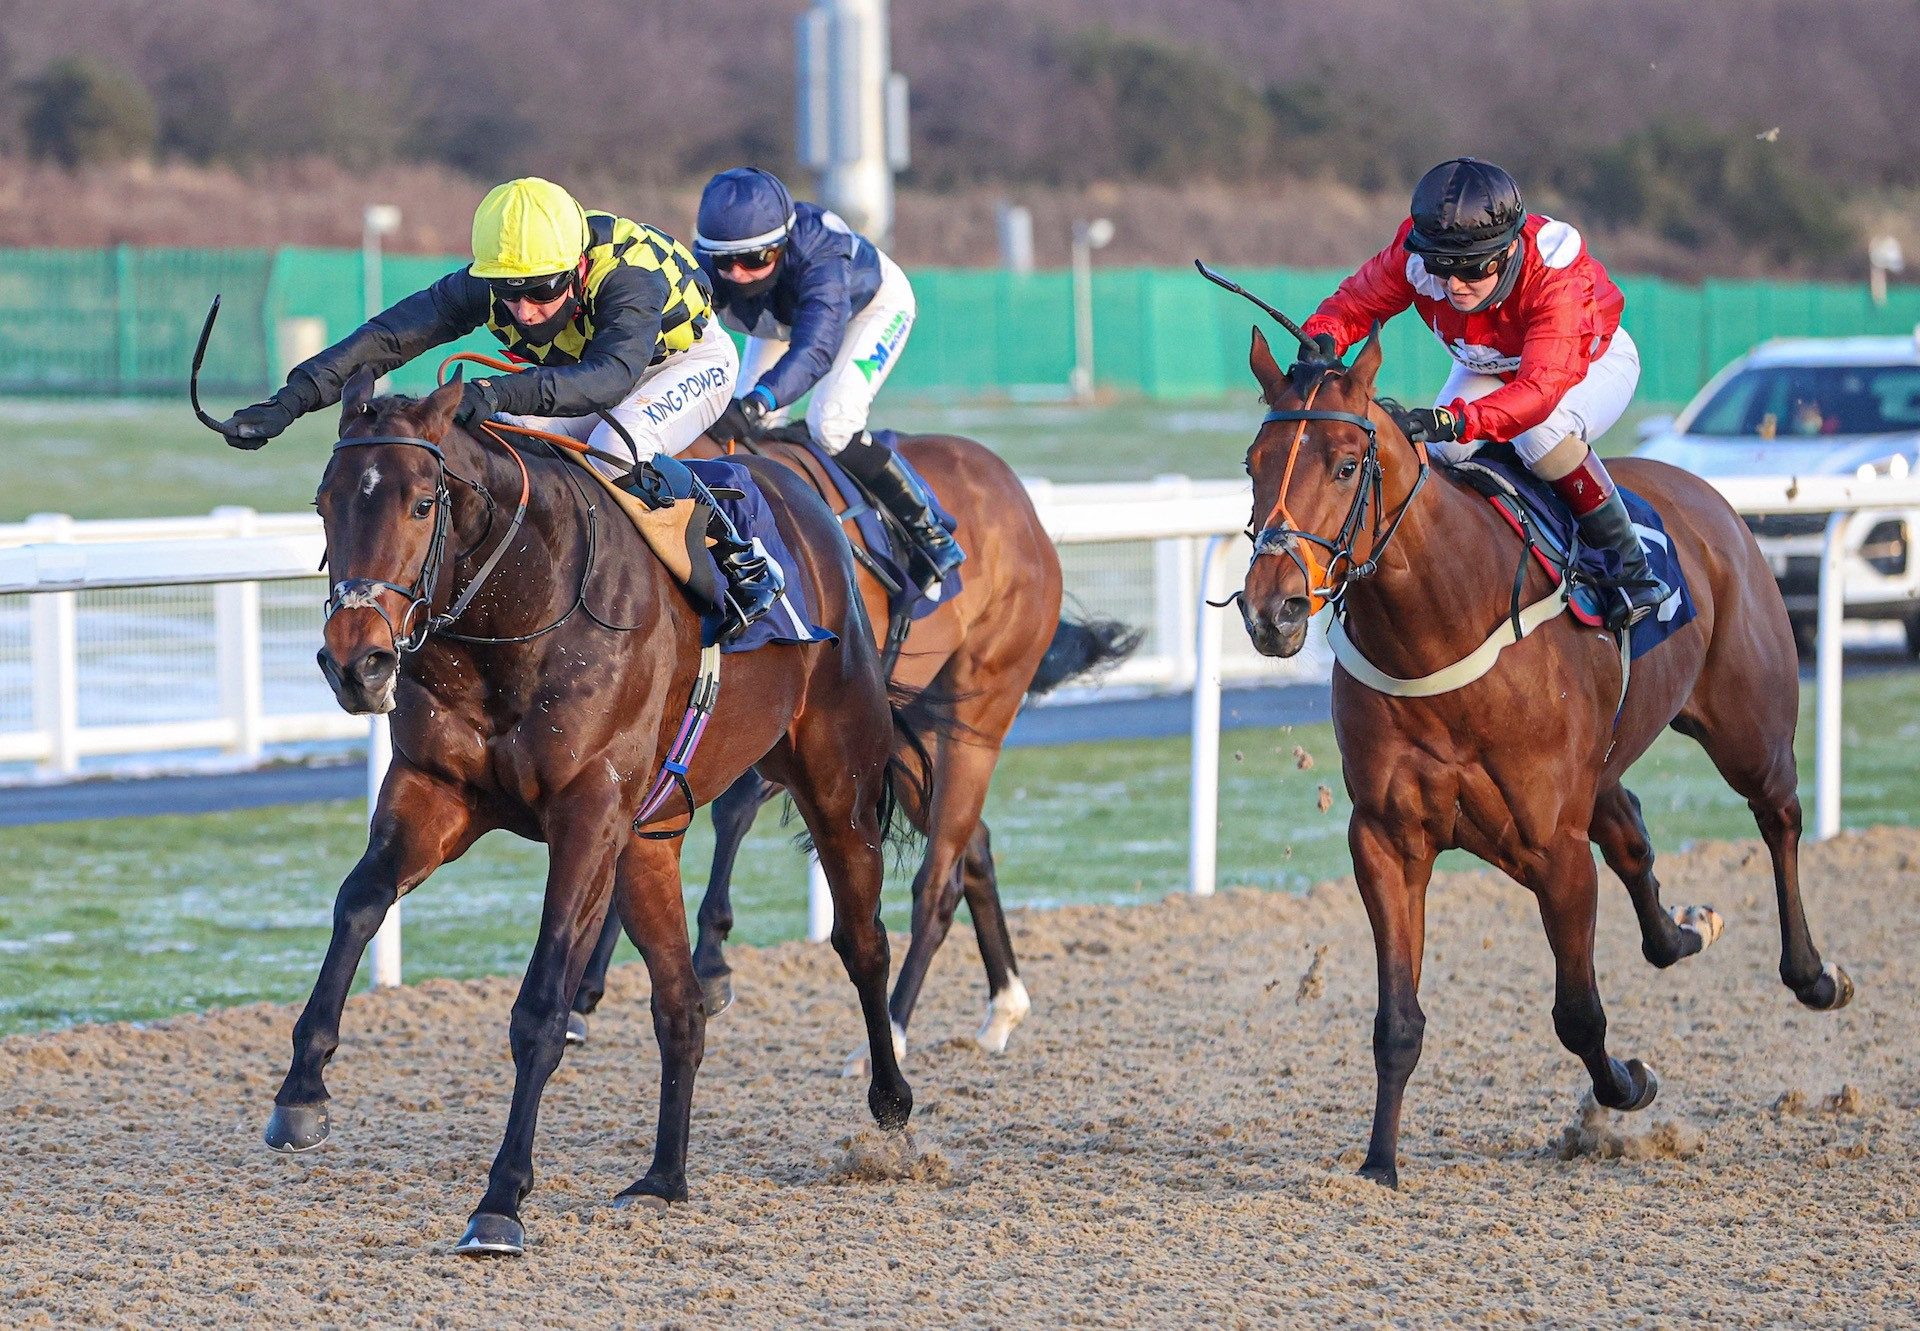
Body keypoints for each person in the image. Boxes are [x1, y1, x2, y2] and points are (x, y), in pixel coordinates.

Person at [216, 177, 783, 639]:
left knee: (616, 448)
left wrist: (494, 394)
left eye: (541, 291)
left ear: (578, 268)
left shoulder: (627, 276)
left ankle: (736, 551)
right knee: (505, 441)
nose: (525, 311)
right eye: (510, 294)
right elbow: (387, 339)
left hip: (681, 362)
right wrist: (288, 402)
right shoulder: (494, 282)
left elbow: (612, 378)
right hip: (587, 369)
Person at [1300, 157, 1671, 626]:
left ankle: (1630, 569)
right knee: (1444, 455)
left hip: (1588, 365)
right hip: (1493, 364)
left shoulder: (1555, 279)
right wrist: (1324, 337)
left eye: (1470, 270)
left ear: (1507, 251)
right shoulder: (1415, 256)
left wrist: (1456, 418)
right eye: (1441, 268)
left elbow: (1537, 392)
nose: (1453, 285)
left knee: (1538, 434)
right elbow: (1353, 303)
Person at [692, 166, 963, 596]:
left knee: (832, 422)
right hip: (780, 321)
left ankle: (929, 532)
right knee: (743, 428)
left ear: (781, 245)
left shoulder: (822, 254)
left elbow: (815, 350)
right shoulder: (711, 264)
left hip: (866, 309)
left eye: (755, 260)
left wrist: (759, 401)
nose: (739, 274)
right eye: (726, 262)